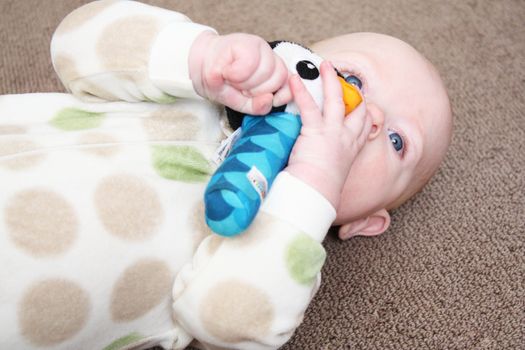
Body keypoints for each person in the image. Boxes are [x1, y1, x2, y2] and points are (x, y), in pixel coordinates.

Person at [0, 1, 452, 350]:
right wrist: (198, 55)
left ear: (367, 221)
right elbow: (75, 42)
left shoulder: (280, 253)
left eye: (397, 141)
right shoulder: (192, 89)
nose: (368, 117)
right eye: (353, 80)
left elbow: (221, 323)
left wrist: (312, 184)